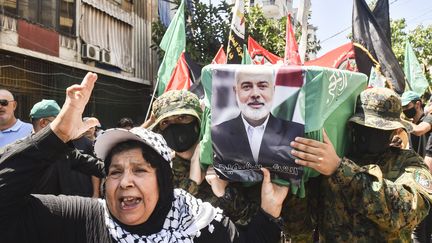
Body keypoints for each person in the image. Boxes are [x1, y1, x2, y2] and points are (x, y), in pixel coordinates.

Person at [0, 72, 289, 243]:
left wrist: (268, 213)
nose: (124, 181)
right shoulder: (87, 219)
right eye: (114, 172)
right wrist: (56, 134)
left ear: (163, 179)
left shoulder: (202, 225)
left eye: (139, 170)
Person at [284, 87, 432, 242]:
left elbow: (408, 212)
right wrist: (292, 190)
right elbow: (300, 229)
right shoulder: (331, 159)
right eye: (364, 127)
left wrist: (340, 169)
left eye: (380, 129)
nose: (371, 134)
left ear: (394, 130)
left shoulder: (408, 163)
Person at [211, 67, 304, 183]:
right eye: (247, 87)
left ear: (273, 90)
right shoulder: (217, 135)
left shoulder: (297, 132)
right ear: (235, 91)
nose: (255, 94)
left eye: (262, 86)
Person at [28, 99, 104, 196]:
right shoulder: (21, 154)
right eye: (60, 121)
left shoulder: (62, 149)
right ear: (43, 123)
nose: (64, 126)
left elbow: (94, 165)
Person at [144, 90, 210, 200]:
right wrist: (192, 183)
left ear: (198, 121)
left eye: (182, 117)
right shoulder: (162, 172)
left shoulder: (222, 158)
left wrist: (224, 191)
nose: (174, 127)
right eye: (165, 122)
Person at [400, 91, 432, 243]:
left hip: (427, 179)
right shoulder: (411, 125)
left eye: (407, 106)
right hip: (419, 179)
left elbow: (420, 130)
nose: (405, 110)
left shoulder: (428, 119)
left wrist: (399, 121)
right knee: (420, 227)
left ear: (418, 104)